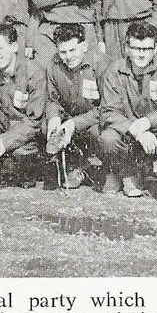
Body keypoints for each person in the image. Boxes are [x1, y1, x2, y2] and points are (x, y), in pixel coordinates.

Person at [99, 21, 157, 197]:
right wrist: (136, 130)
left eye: (147, 49)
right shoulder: (114, 71)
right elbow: (108, 111)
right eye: (136, 48)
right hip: (130, 132)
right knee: (108, 137)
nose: (141, 54)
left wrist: (148, 121)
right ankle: (126, 174)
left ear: (155, 48)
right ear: (127, 48)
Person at [0, 23, 45, 191]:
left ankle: (25, 171)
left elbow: (35, 122)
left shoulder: (34, 73)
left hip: (28, 133)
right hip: (7, 125)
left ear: (14, 47)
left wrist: (6, 140)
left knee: (21, 162)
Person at [44, 23, 109, 189]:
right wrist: (54, 118)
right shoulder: (54, 64)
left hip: (95, 118)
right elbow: (52, 100)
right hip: (69, 118)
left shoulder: (100, 64)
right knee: (47, 128)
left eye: (73, 50)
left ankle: (103, 168)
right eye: (63, 52)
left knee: (98, 133)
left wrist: (75, 124)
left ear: (85, 46)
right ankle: (75, 167)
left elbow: (108, 107)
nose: (68, 57)